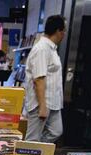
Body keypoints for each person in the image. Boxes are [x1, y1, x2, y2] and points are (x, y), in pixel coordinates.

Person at [24, 15, 66, 143]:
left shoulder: (51, 49)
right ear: (58, 31)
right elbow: (39, 79)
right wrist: (42, 106)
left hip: (54, 102)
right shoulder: (42, 49)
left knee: (56, 131)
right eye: (64, 31)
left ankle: (37, 152)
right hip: (41, 102)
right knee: (33, 138)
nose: (64, 34)